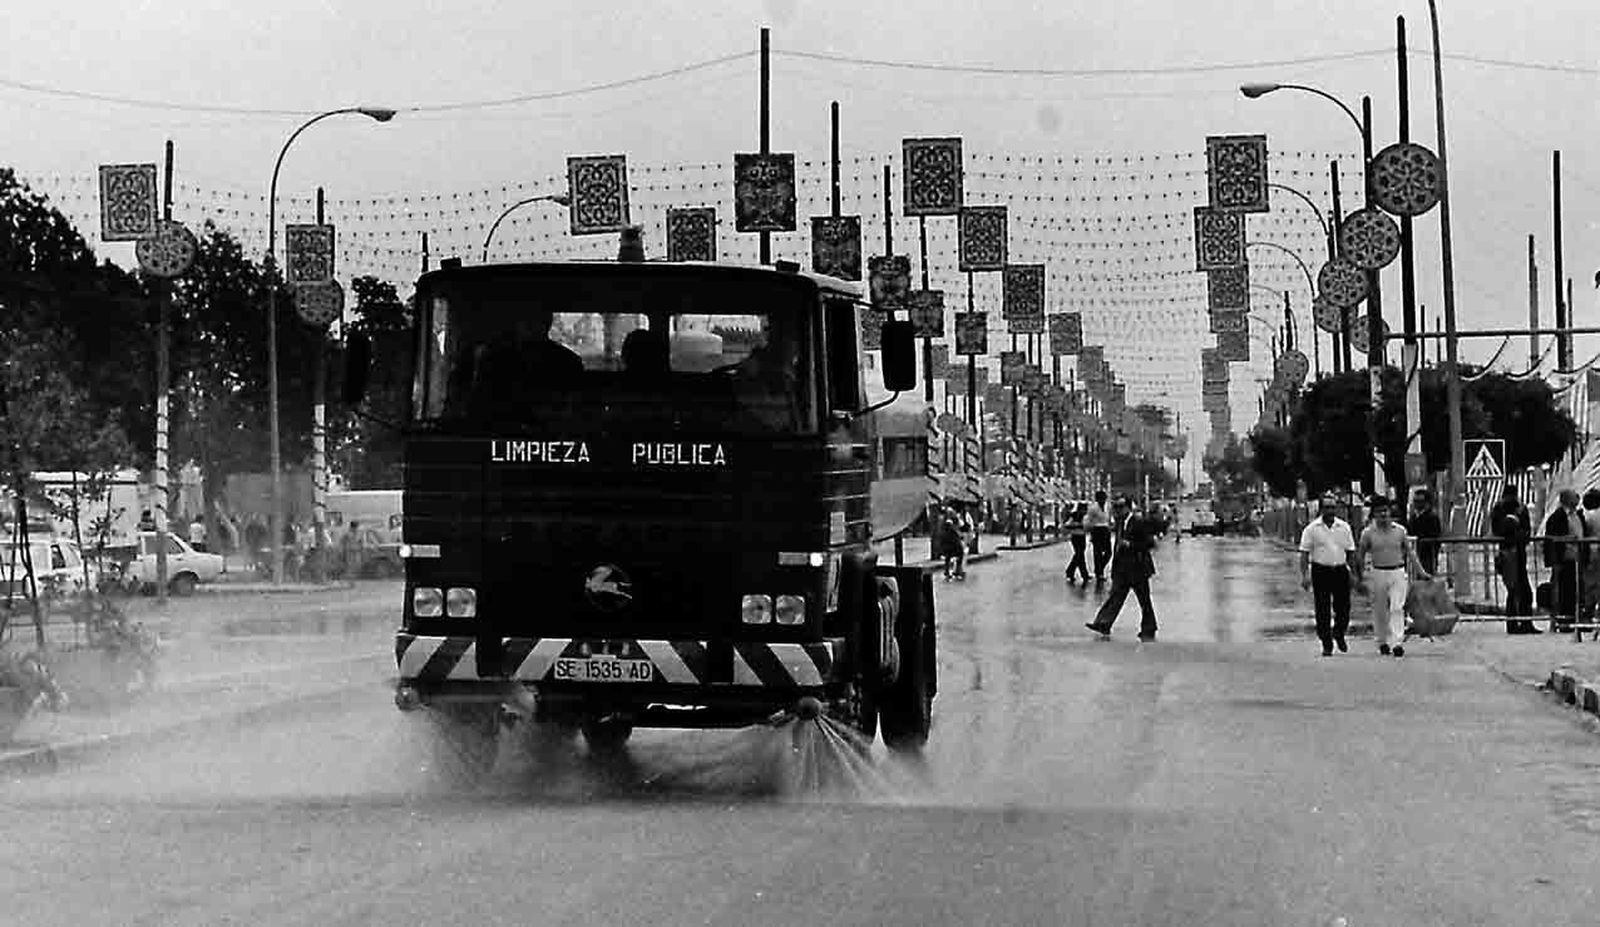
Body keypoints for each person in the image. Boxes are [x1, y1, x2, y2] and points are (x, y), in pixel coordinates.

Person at [1354, 496, 1430, 657]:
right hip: (1378, 573)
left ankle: (1397, 643)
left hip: (1397, 572)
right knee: (1380, 610)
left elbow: (1410, 553)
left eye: (1385, 511)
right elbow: (1360, 555)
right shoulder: (1368, 533)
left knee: (1397, 607)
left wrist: (1421, 572)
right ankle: (1382, 641)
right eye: (1379, 512)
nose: (1383, 515)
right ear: (1374, 514)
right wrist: (1359, 577)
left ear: (1390, 512)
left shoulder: (1400, 531)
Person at [471, 309, 584, 410]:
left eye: (536, 321)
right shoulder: (494, 359)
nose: (532, 327)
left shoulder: (568, 362)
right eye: (528, 322)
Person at [1084, 496, 1159, 642]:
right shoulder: (1120, 523)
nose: (1116, 511)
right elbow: (1117, 547)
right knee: (1115, 597)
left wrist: (1131, 545)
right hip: (1124, 569)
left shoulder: (1137, 522)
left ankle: (1149, 628)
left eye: (1120, 507)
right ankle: (1103, 623)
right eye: (1115, 507)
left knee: (1144, 601)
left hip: (1138, 568)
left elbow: (1149, 543)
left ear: (1128, 508)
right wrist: (1114, 568)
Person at [1298, 493, 1357, 656]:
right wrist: (1305, 575)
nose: (1330, 510)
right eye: (1327, 507)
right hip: (1320, 571)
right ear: (1321, 509)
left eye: (1333, 507)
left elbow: (1351, 552)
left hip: (1340, 570)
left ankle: (1339, 633)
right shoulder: (1311, 529)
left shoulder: (1344, 527)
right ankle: (1326, 642)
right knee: (1322, 608)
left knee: (1343, 607)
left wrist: (1353, 573)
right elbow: (1304, 554)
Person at [1490, 485, 1538, 634]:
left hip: (1515, 552)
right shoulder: (1508, 509)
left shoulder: (1511, 509)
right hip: (1510, 553)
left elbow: (1526, 531)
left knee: (1521, 590)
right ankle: (1517, 624)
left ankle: (1523, 623)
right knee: (1515, 589)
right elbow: (1499, 531)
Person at [1542, 488, 1586, 631]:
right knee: (1563, 590)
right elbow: (1550, 540)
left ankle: (1574, 618)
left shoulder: (1578, 515)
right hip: (1563, 559)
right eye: (1574, 497)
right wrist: (1552, 561)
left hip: (1576, 559)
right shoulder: (1557, 517)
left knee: (1575, 590)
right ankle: (1563, 620)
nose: (1578, 499)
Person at [1407, 489, 1442, 576]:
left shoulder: (1432, 517)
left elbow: (1435, 536)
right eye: (1415, 501)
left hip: (1427, 555)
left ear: (1427, 502)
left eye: (1419, 501)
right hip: (1414, 553)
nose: (1416, 504)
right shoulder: (1413, 517)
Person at [1084, 490, 1113, 584]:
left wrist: (1110, 526)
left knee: (1108, 552)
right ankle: (1099, 573)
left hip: (1106, 529)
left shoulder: (1107, 506)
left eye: (1104, 499)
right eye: (1101, 499)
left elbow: (1109, 518)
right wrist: (1090, 531)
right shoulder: (1093, 508)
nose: (1103, 501)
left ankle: (1099, 568)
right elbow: (1089, 520)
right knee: (1098, 553)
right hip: (1097, 530)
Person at [1064, 502, 1091, 584]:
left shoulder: (1086, 516)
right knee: (1079, 555)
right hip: (1075, 537)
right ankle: (1082, 574)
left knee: (1079, 555)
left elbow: (1087, 526)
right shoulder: (1074, 515)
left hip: (1082, 537)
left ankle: (1072, 572)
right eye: (1084, 509)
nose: (1085, 511)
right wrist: (1079, 525)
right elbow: (1067, 524)